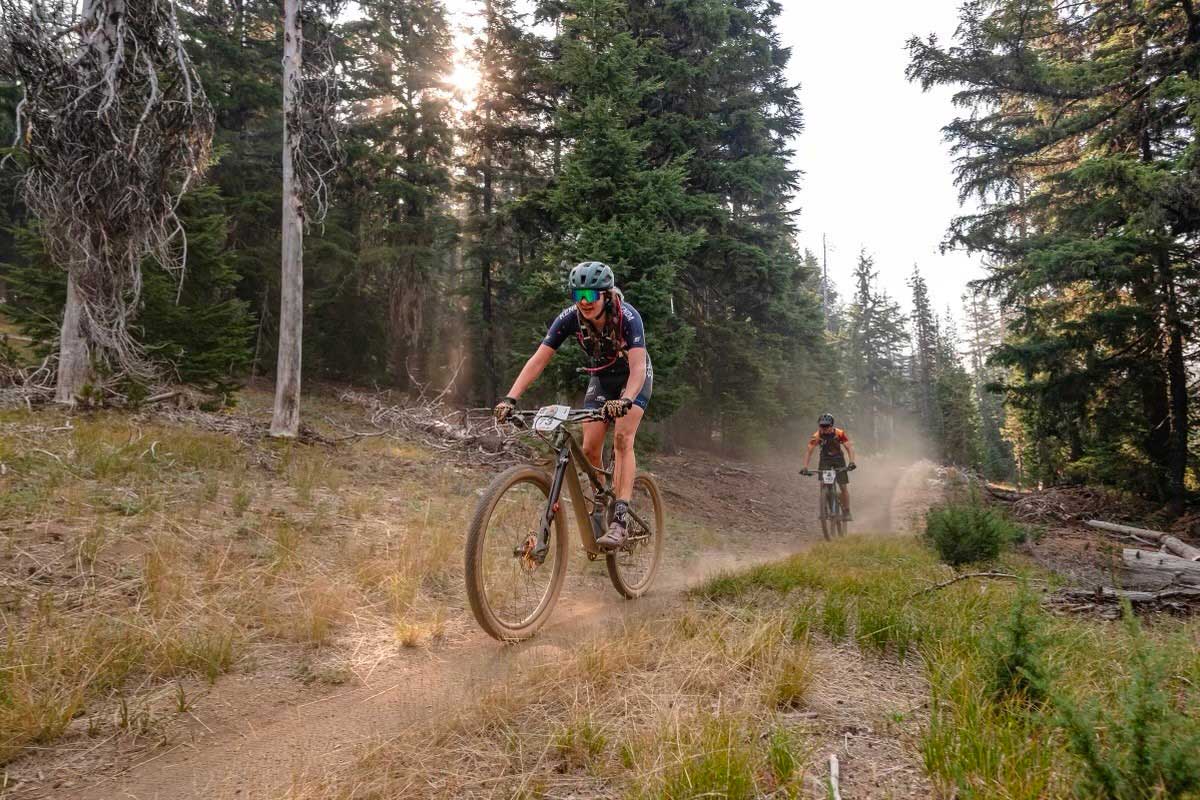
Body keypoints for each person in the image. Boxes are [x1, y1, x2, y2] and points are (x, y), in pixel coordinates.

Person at [494, 261, 652, 549]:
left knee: (621, 438)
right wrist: (510, 397)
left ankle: (619, 520)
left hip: (632, 378)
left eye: (591, 295)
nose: (583, 302)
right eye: (577, 294)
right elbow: (539, 359)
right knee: (590, 447)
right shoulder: (570, 318)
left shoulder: (628, 317)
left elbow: (639, 367)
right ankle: (601, 502)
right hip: (602, 378)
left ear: (605, 295)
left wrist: (626, 399)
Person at [800, 413, 857, 521]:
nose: (824, 428)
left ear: (831, 425)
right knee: (824, 484)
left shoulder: (839, 433)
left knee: (843, 487)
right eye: (822, 426)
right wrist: (805, 467)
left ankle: (847, 511)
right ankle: (824, 509)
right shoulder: (817, 436)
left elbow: (849, 447)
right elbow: (809, 451)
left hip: (839, 459)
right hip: (825, 459)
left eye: (826, 426)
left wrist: (851, 462)